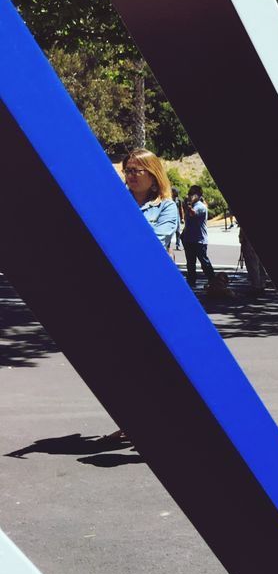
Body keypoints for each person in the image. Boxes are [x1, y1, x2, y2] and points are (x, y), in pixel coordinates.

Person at [105, 150, 178, 445]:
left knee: (153, 360)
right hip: (120, 288)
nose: (130, 176)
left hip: (153, 291)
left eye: (137, 171)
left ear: (153, 175)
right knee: (123, 361)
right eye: (127, 170)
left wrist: (121, 232)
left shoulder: (166, 207)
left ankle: (161, 423)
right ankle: (130, 423)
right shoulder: (116, 202)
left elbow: (154, 242)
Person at [181, 183, 218, 288]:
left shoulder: (200, 207)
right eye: (189, 193)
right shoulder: (191, 205)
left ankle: (213, 281)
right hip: (189, 239)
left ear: (198, 195)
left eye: (192, 194)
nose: (190, 196)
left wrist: (186, 205)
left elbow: (193, 213)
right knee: (190, 263)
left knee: (204, 262)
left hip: (199, 240)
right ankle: (191, 282)